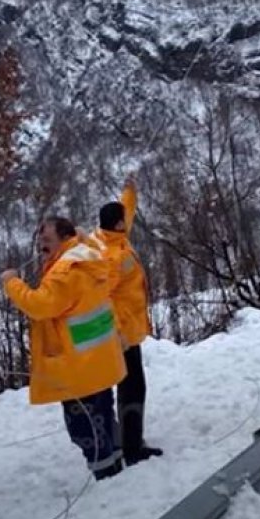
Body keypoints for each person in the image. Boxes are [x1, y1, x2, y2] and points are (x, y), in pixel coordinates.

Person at [2, 216, 127, 480]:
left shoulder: (65, 270)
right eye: (39, 240)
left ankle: (108, 477)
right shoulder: (90, 254)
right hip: (100, 360)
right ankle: (119, 470)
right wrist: (81, 238)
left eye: (47, 240)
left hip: (78, 367)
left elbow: (40, 305)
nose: (41, 246)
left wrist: (12, 283)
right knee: (104, 415)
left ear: (64, 238)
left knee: (85, 428)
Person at [91, 174, 164, 466]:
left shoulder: (111, 237)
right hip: (123, 334)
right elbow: (101, 296)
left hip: (128, 330)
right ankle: (132, 447)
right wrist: (118, 333)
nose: (127, 221)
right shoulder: (112, 256)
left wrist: (129, 191)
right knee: (133, 387)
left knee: (129, 386)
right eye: (124, 219)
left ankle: (126, 440)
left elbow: (127, 211)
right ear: (118, 225)